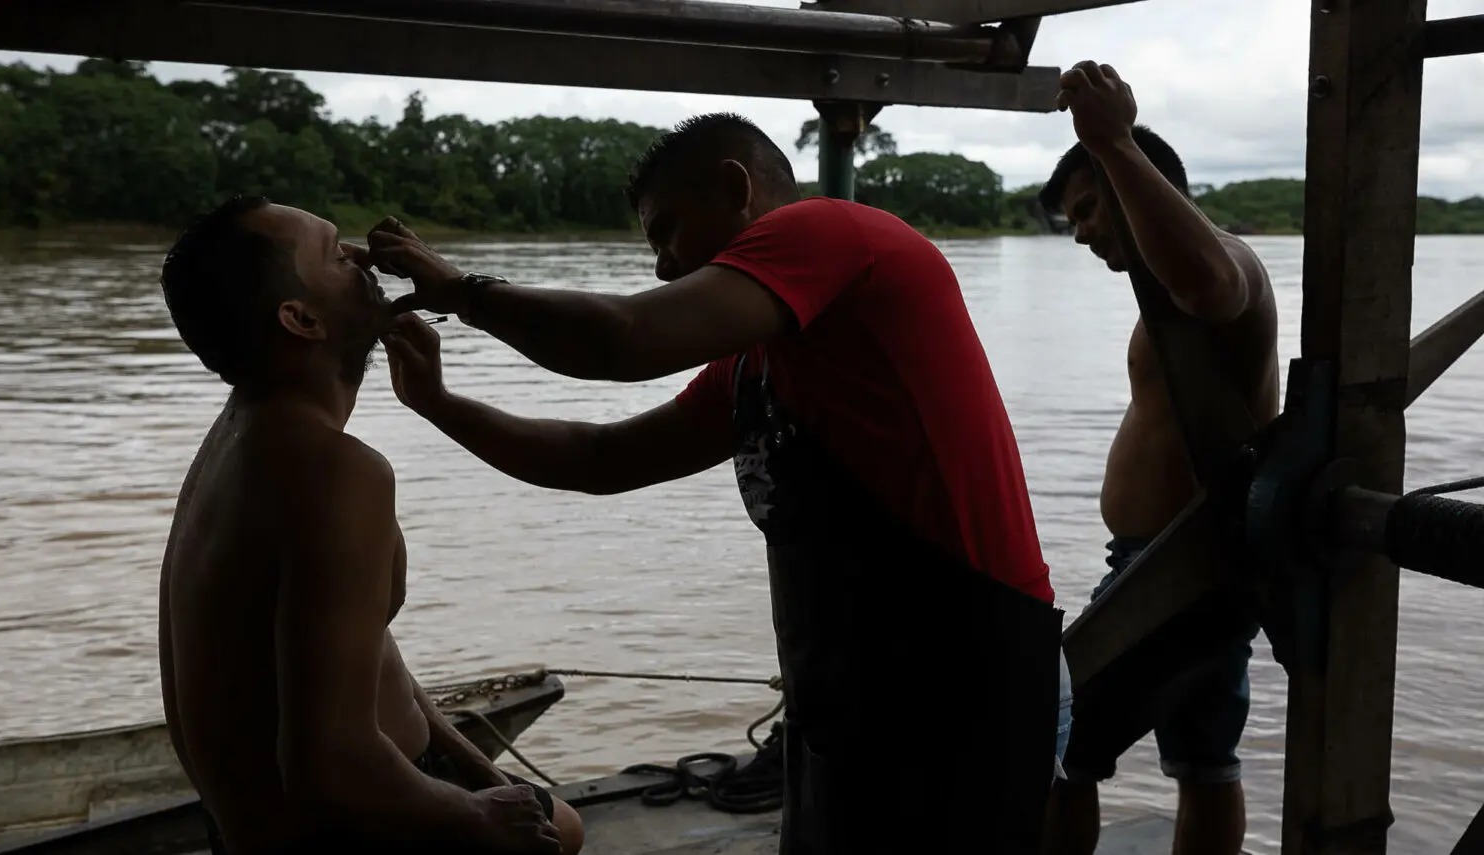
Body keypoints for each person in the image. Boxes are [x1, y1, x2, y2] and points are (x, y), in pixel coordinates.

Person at [370, 112, 1068, 854]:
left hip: (965, 675)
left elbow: (623, 336)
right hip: (854, 693)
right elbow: (599, 457)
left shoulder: (832, 231)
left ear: (736, 188)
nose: (665, 266)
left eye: (667, 230)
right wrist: (440, 405)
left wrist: (461, 289)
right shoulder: (757, 361)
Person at [156, 195, 582, 855]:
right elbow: (329, 765)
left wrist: (479, 773)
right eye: (333, 253)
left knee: (562, 820)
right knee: (560, 831)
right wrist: (479, 818)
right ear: (300, 319)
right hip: (340, 825)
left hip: (274, 821)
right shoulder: (332, 471)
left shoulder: (244, 431)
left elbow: (368, 651)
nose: (361, 255)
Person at [1037, 62, 1278, 855]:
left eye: (1086, 208)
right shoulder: (1163, 301)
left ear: (1138, 182)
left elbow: (1213, 286)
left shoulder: (1223, 258)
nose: (1080, 233)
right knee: (1204, 759)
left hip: (1179, 569)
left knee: (1057, 743)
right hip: (1193, 565)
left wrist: (1111, 141)